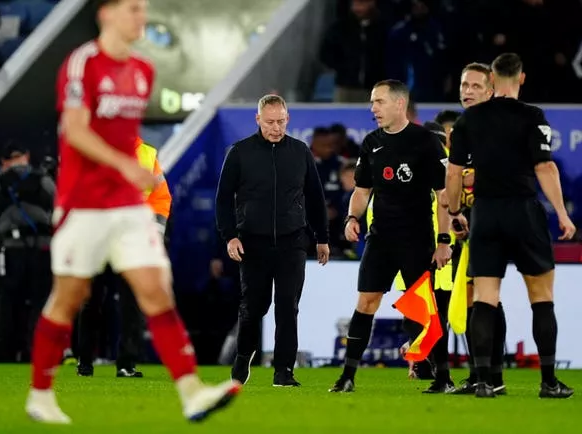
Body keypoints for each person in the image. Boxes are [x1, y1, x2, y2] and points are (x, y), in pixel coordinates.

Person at [25, 0, 240, 424]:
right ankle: (40, 394)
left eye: (144, 11)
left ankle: (192, 392)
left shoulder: (143, 71)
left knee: (156, 290)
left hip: (128, 206)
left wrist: (135, 172)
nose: (142, 18)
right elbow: (74, 128)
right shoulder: (81, 63)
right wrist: (124, 164)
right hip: (83, 204)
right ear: (106, 14)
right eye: (133, 10)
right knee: (69, 299)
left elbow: (127, 136)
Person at [446, 53, 575, 399]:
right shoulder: (532, 117)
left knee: (485, 298)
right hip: (523, 212)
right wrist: (562, 214)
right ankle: (548, 382)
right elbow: (545, 168)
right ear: (521, 79)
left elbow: (454, 172)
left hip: (486, 214)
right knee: (541, 297)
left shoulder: (469, 120)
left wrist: (456, 211)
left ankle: (485, 381)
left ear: (491, 81)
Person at [328, 79, 453, 394]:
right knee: (366, 302)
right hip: (380, 238)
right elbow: (361, 189)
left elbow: (443, 196)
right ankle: (347, 377)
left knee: (424, 309)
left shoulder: (426, 141)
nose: (373, 109)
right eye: (372, 102)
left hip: (417, 239)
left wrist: (443, 241)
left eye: (379, 102)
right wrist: (352, 217)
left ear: (400, 104)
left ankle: (443, 378)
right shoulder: (371, 142)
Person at [215, 94, 330, 387]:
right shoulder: (239, 153)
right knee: (254, 307)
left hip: (293, 241)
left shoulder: (301, 151)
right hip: (253, 243)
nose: (276, 127)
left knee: (287, 306)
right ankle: (243, 356)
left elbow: (316, 198)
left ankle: (284, 371)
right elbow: (223, 200)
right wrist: (230, 237)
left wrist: (322, 238)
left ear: (288, 119)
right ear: (257, 120)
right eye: (269, 122)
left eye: (280, 121)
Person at [77, 137, 172, 378]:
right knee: (92, 301)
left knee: (131, 304)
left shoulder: (147, 154)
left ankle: (126, 363)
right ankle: (84, 361)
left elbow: (160, 199)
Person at [442, 63, 508, 395]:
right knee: (478, 300)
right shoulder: (467, 127)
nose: (467, 91)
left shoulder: (497, 126)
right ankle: (486, 375)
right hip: (468, 224)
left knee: (484, 298)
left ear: (491, 90)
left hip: (491, 221)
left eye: (475, 86)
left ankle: (489, 375)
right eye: (464, 85)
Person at [0, 142, 54, 363]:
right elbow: (56, 208)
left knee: (8, 300)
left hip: (12, 248)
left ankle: (3, 351)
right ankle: (36, 350)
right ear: (26, 156)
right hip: (41, 246)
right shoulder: (43, 179)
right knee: (39, 300)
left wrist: (5, 228)